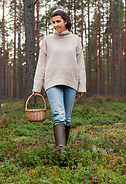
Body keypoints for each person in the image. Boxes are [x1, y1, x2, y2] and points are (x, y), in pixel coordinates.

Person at [32, 10, 86, 154]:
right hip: (52, 82)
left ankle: (64, 147)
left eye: (58, 21)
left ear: (66, 21)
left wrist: (82, 85)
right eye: (53, 22)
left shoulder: (76, 39)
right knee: (59, 115)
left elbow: (80, 64)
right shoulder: (47, 40)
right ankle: (61, 152)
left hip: (71, 82)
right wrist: (37, 86)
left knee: (67, 118)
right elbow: (41, 64)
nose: (55, 25)